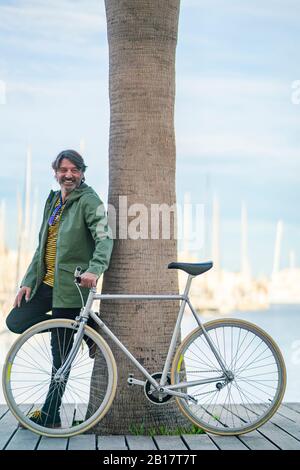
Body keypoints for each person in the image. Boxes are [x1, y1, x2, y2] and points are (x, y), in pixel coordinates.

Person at [6, 149, 113, 428]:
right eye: (63, 170)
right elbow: (40, 247)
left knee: (59, 359)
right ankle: (85, 325)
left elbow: (104, 238)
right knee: (16, 320)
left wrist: (95, 268)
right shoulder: (53, 200)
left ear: (82, 173)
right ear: (55, 172)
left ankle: (50, 416)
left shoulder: (89, 201)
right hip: (45, 284)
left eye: (74, 170)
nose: (68, 175)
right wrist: (28, 281)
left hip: (70, 289)